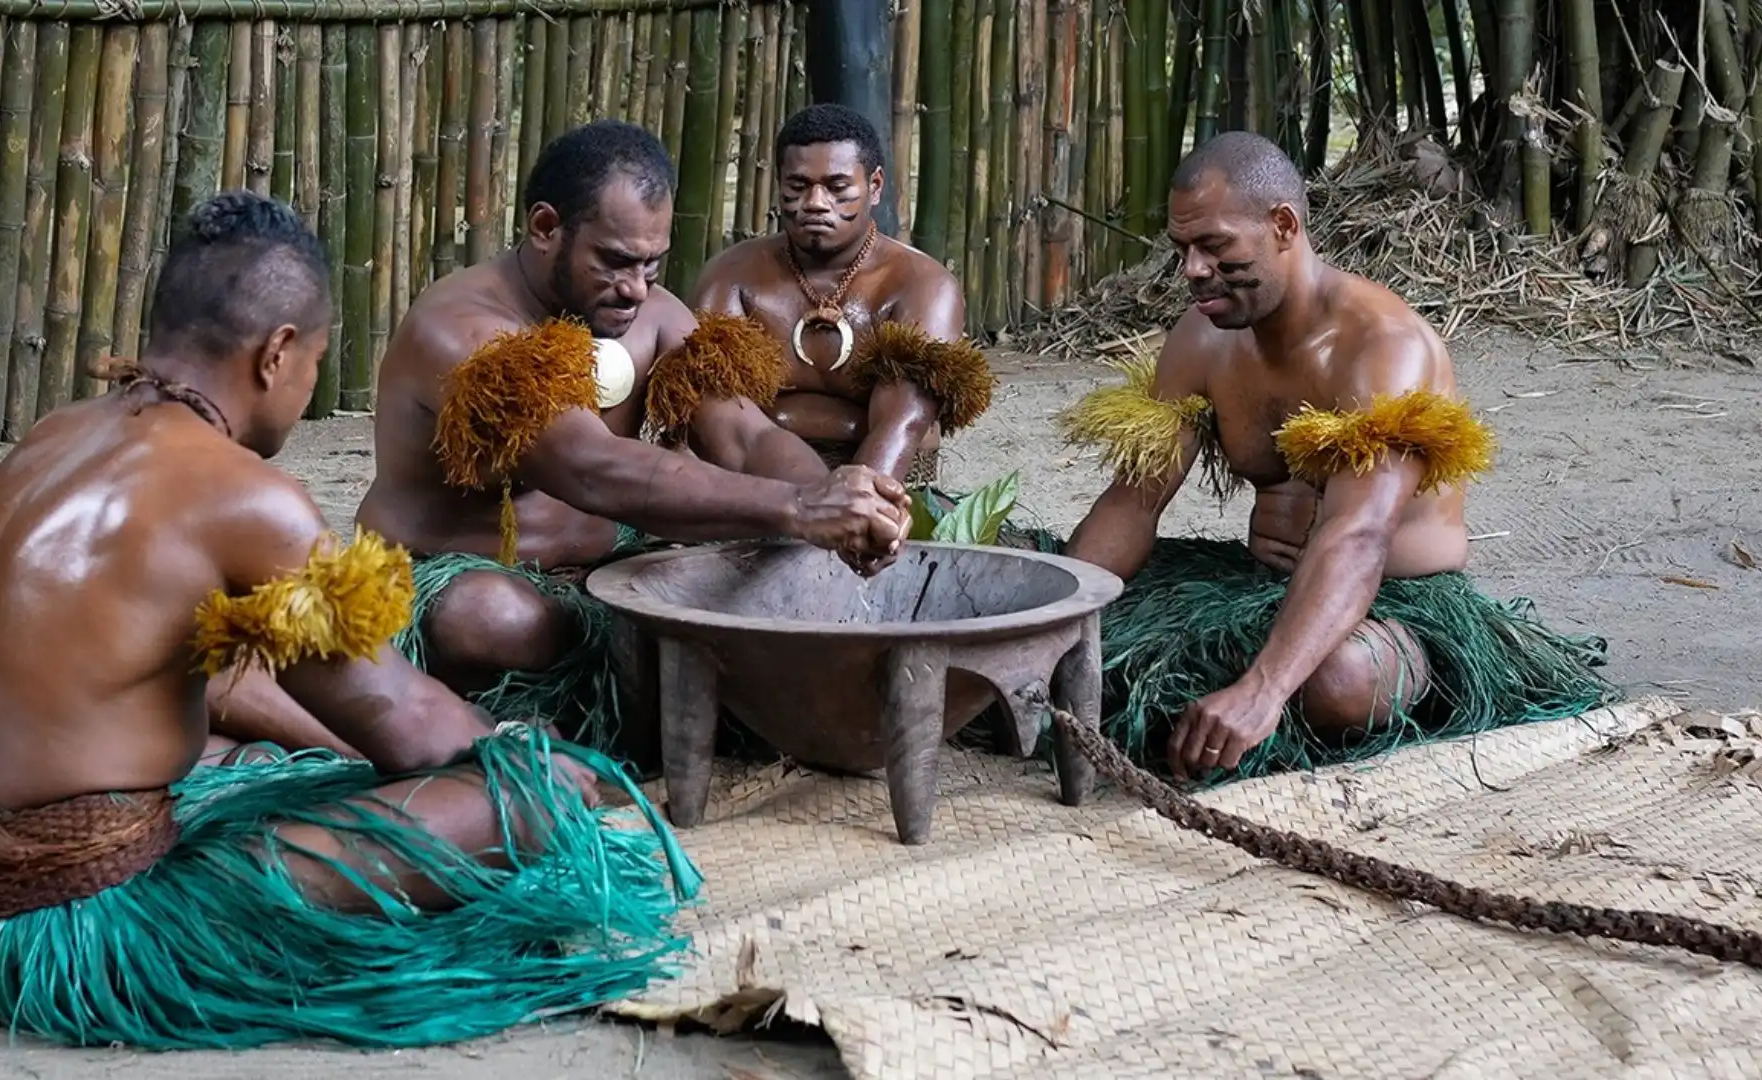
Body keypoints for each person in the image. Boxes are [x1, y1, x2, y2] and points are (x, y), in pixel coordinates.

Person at [0, 191, 701, 1050]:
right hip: (89, 911)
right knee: (528, 801)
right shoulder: (243, 495)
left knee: (255, 736)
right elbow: (407, 726)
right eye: (316, 363)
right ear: (277, 354)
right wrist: (531, 758)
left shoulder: (50, 437)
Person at [340, 118, 908, 763]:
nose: (636, 288)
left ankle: (636, 680)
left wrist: (835, 497)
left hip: (615, 574)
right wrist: (797, 511)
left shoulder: (654, 314)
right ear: (546, 228)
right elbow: (591, 467)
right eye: (612, 261)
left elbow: (745, 437)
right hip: (465, 579)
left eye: (651, 263)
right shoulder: (464, 332)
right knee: (494, 618)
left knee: (765, 568)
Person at [1056, 131, 1617, 785]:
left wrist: (1264, 689)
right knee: (1078, 623)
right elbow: (1133, 502)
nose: (1192, 271)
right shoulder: (1202, 339)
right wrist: (1043, 622)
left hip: (1397, 604)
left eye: (1214, 246)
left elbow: (1358, 533)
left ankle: (1273, 698)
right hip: (1256, 587)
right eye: (1183, 249)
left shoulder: (1382, 346)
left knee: (1336, 682)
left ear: (1284, 226)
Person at [689, 103, 995, 493]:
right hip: (757, 488)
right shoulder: (730, 277)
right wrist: (804, 505)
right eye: (798, 186)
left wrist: (861, 508)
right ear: (779, 184)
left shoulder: (921, 285)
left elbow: (903, 420)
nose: (815, 202)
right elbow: (716, 413)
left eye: (837, 188)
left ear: (875, 187)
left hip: (890, 485)